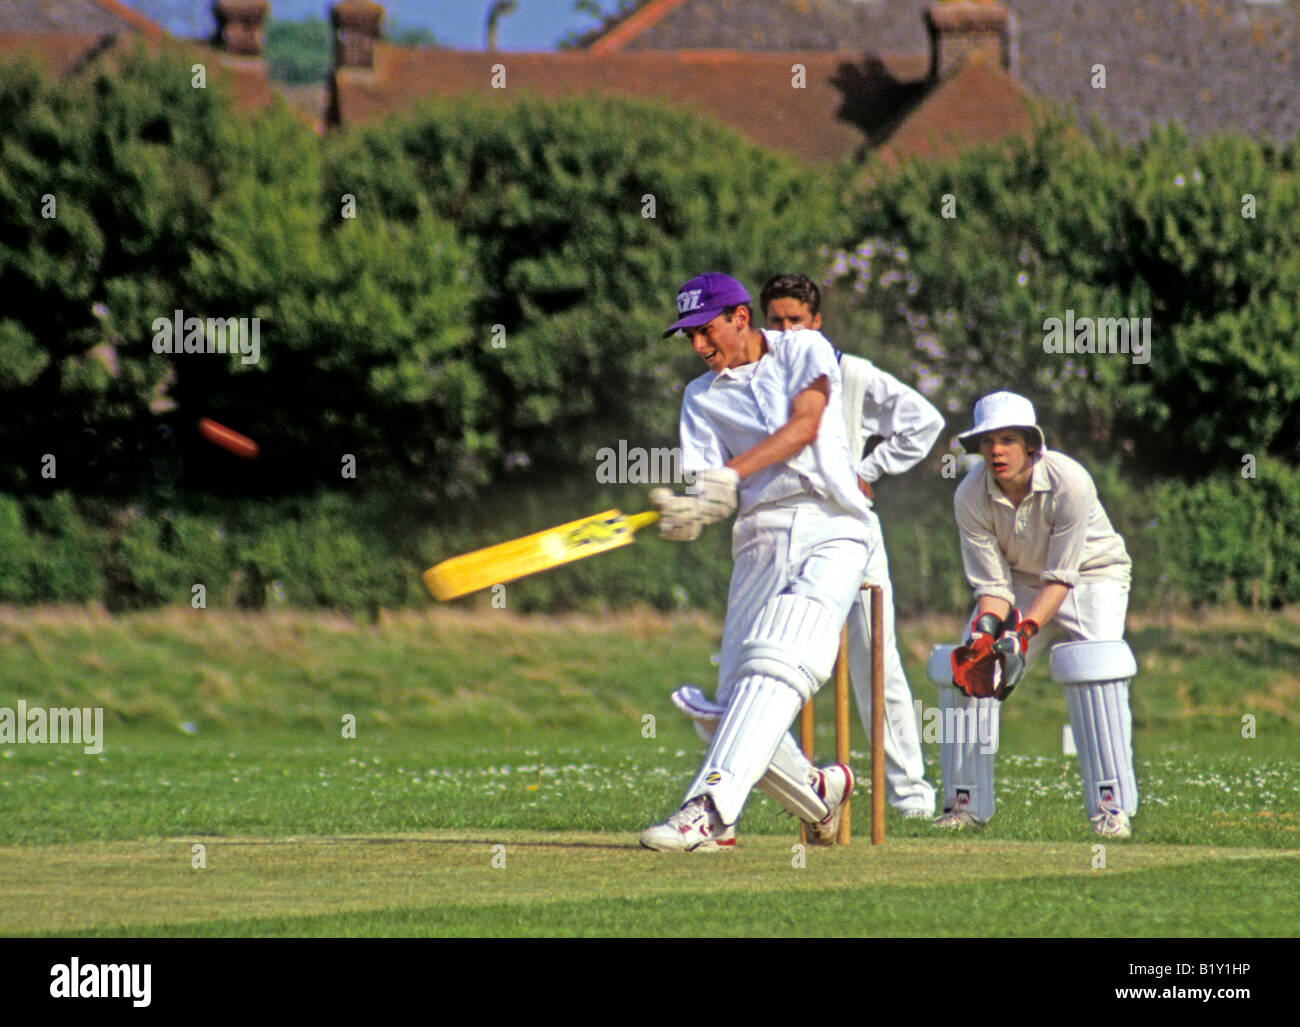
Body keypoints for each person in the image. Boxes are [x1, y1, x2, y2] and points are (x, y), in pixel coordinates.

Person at [640, 271, 880, 851]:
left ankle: (710, 811)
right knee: (726, 712)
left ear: (740, 318)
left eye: (705, 331)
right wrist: (692, 511)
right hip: (758, 539)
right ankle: (821, 793)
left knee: (778, 659)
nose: (698, 347)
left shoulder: (804, 347)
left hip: (834, 526)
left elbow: (804, 427)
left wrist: (732, 474)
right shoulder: (699, 397)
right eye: (688, 337)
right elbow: (710, 485)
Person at [758, 273, 940, 819]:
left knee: (875, 665)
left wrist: (869, 469)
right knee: (772, 659)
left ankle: (909, 799)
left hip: (853, 532)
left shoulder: (849, 373)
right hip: (781, 532)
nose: (787, 331)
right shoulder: (756, 378)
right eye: (776, 320)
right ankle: (786, 786)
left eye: (797, 321)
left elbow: (923, 422)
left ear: (816, 322)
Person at [938, 390, 1137, 838]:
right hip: (1021, 582)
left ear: (1031, 444)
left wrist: (1022, 635)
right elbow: (992, 587)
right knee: (972, 669)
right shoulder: (970, 495)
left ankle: (1111, 807)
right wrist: (988, 636)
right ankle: (964, 803)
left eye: (1007, 439)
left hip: (1092, 572)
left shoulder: (1071, 481)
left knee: (1095, 670)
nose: (995, 451)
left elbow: (1063, 577)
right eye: (987, 441)